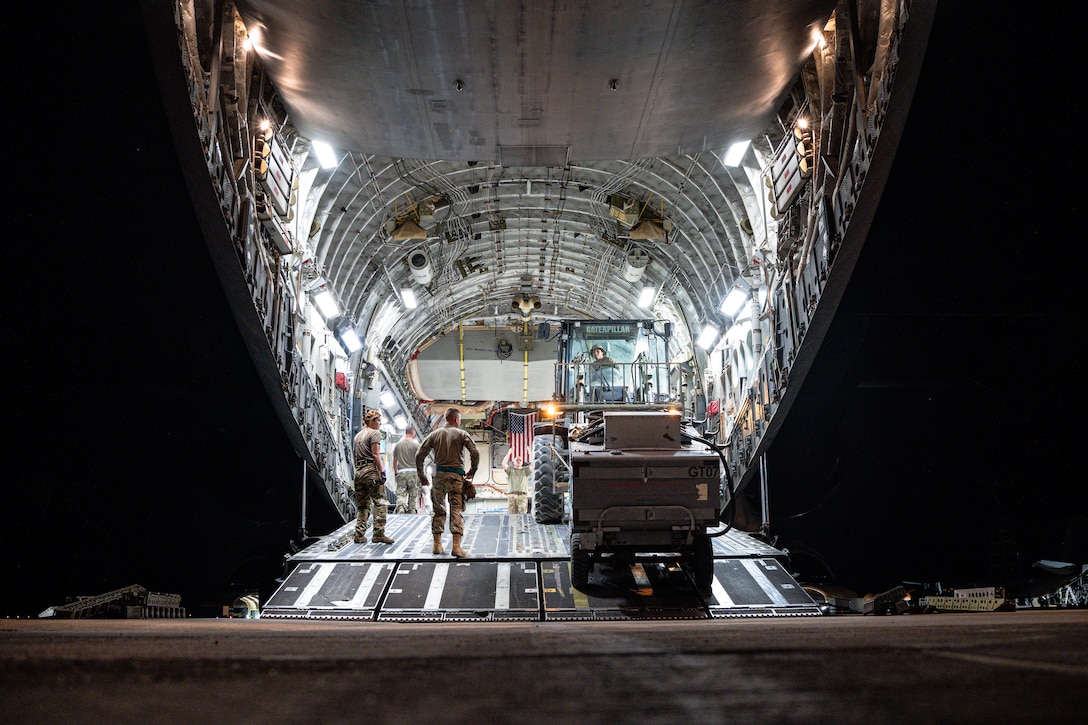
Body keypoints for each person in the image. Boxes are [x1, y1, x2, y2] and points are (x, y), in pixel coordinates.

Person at [416, 407, 479, 558]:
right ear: (457, 419)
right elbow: (475, 452)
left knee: (438, 509)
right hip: (455, 477)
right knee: (456, 509)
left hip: (438, 477)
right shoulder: (462, 434)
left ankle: (437, 545)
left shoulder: (434, 434)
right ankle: (456, 547)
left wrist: (422, 476)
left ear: (445, 419)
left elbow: (419, 455)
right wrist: (473, 470)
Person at [351, 409, 395, 545]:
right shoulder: (375, 433)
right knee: (380, 502)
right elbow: (375, 454)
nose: (380, 424)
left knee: (363, 506)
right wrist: (382, 472)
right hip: (371, 472)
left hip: (358, 472)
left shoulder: (358, 436)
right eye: (378, 421)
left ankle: (359, 534)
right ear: (371, 421)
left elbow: (354, 456)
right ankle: (378, 533)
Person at [392, 427, 423, 513]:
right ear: (413, 433)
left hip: (401, 472)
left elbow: (395, 460)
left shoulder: (398, 445)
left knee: (401, 492)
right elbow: (420, 460)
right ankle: (411, 510)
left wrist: (396, 472)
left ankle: (401, 506)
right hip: (413, 472)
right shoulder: (417, 445)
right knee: (413, 493)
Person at [502, 449, 530, 515]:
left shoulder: (525, 470)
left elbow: (534, 465)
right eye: (517, 460)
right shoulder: (510, 470)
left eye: (520, 460)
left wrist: (530, 453)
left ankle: (522, 525)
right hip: (512, 495)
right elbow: (503, 464)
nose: (518, 461)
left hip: (522, 495)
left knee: (522, 514)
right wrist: (509, 453)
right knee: (512, 514)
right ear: (513, 462)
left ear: (522, 462)